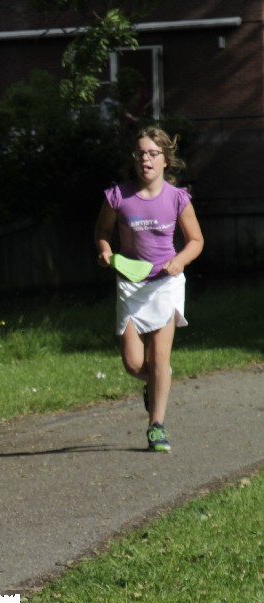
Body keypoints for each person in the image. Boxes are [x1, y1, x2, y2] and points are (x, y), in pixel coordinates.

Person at [94, 126, 204, 452]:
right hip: (130, 285)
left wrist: (179, 261)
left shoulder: (177, 198)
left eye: (153, 153)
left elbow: (196, 241)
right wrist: (105, 251)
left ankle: (157, 426)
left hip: (165, 284)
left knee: (158, 357)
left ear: (165, 160)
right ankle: (157, 381)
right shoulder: (118, 196)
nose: (146, 159)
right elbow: (102, 231)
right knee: (133, 364)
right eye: (140, 153)